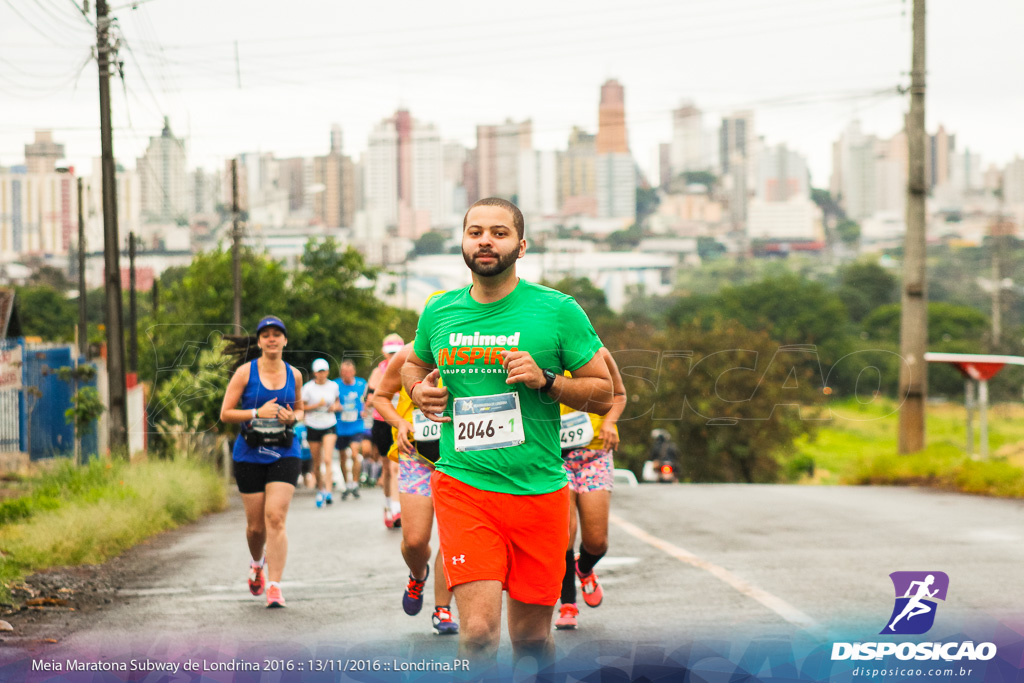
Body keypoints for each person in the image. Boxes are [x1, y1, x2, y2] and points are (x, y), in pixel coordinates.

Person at [402, 197, 613, 667]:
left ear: (521, 245)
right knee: (477, 634)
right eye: (475, 231)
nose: (485, 241)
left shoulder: (557, 311)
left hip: (538, 490)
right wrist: (418, 391)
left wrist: (549, 380)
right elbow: (413, 363)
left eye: (498, 232)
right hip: (464, 485)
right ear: (462, 241)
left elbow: (604, 392)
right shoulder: (439, 313)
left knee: (532, 639)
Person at [372, 340, 459, 635]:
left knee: (451, 539)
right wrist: (400, 423)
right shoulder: (407, 355)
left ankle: (443, 610)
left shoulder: (468, 347)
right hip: (417, 457)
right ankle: (417, 574)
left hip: (459, 457)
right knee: (414, 541)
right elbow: (380, 397)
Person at [219, 315, 304, 608]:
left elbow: (301, 410)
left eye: (276, 334)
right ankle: (257, 562)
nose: (271, 338)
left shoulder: (294, 375)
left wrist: (294, 417)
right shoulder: (245, 373)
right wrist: (257, 413)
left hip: (285, 451)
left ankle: (275, 585)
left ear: (285, 340)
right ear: (259, 342)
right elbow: (226, 413)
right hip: (250, 454)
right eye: (265, 334)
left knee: (276, 518)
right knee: (256, 528)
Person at [554, 347, 627, 630]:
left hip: (594, 455)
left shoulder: (597, 353)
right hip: (555, 457)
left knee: (597, 542)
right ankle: (568, 604)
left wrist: (609, 422)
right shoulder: (538, 351)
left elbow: (618, 395)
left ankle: (584, 568)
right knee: (564, 534)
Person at [368, 333, 404, 528]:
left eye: (396, 353)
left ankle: (397, 509)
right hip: (381, 423)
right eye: (390, 353)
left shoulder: (407, 367)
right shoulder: (378, 371)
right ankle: (388, 504)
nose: (392, 356)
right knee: (386, 468)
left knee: (395, 465)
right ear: (383, 352)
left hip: (399, 422)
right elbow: (370, 396)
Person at [302, 358, 341, 507]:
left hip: (329, 424)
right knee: (316, 461)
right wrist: (316, 405)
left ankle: (329, 491)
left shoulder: (333, 386)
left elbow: (338, 402)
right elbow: (302, 408)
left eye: (324, 371)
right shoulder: (308, 388)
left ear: (327, 372)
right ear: (314, 373)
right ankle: (320, 489)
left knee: (328, 459)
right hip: (313, 425)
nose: (322, 374)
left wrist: (335, 407)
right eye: (319, 371)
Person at [334, 359, 368, 500]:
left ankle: (355, 483)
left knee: (354, 454)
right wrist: (336, 406)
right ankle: (347, 483)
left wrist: (365, 409)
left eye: (348, 372)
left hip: (356, 426)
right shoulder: (335, 385)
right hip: (341, 426)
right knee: (343, 457)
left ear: (353, 372)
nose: (346, 374)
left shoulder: (361, 384)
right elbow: (332, 401)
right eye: (343, 372)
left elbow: (367, 400)